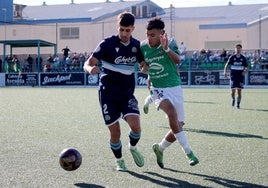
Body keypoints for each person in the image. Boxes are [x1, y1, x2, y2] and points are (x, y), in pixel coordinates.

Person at [83, 11, 145, 172]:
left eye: (128, 30)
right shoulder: (107, 44)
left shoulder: (136, 46)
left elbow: (143, 64)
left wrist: (145, 67)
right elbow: (87, 63)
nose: (124, 33)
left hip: (126, 94)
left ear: (133, 28)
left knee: (136, 127)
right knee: (115, 132)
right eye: (121, 30)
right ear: (118, 27)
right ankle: (119, 160)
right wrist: (90, 69)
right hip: (107, 95)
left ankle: (132, 147)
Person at [140, 17, 199, 168]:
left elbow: (178, 61)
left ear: (162, 34)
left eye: (153, 35)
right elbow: (143, 66)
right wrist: (144, 69)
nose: (149, 38)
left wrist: (166, 49)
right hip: (158, 88)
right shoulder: (143, 47)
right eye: (147, 34)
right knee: (171, 113)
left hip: (174, 87)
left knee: (179, 125)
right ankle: (189, 153)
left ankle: (160, 148)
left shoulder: (171, 42)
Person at [223, 43, 248, 109]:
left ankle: (238, 104)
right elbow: (227, 65)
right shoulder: (232, 57)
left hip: (240, 77)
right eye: (237, 48)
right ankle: (233, 99)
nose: (238, 49)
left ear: (241, 49)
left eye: (239, 48)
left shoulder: (243, 58)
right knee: (233, 91)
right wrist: (225, 72)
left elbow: (247, 67)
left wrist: (245, 71)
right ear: (235, 49)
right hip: (233, 77)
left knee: (239, 91)